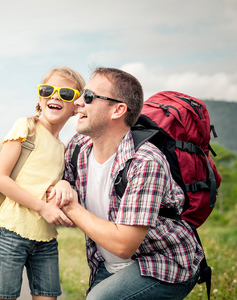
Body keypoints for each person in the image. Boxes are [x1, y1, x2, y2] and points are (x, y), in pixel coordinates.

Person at [50, 67, 203, 300]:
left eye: (89, 97)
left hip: (164, 264)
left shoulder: (145, 162)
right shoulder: (78, 147)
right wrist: (63, 183)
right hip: (109, 263)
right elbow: (67, 179)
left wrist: (71, 207)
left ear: (118, 110)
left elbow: (123, 244)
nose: (78, 102)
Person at [0, 66, 86, 300]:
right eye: (48, 90)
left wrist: (64, 184)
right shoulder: (27, 127)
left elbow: (51, 184)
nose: (54, 96)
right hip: (12, 231)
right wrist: (43, 207)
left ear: (76, 106)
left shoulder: (65, 148)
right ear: (40, 99)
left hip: (46, 239)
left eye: (65, 94)